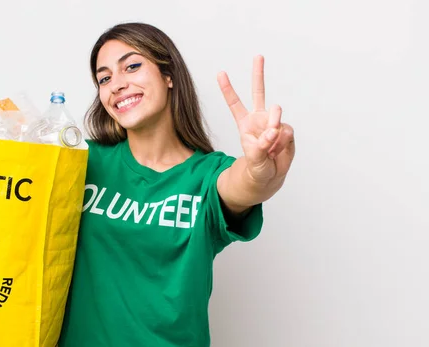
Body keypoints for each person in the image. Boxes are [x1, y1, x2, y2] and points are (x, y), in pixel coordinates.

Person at [57, 22, 295, 347]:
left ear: (168, 75)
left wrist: (259, 169)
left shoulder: (206, 175)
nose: (117, 84)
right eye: (105, 78)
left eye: (132, 66)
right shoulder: (81, 161)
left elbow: (243, 185)